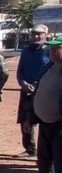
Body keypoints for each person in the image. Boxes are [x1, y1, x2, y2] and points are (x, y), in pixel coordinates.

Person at [30, 34, 62, 173]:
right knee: (44, 158)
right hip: (45, 122)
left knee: (60, 161)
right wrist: (32, 117)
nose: (52, 52)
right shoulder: (49, 67)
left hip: (59, 124)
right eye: (51, 48)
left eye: (57, 48)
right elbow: (38, 92)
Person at [15, 24, 50, 158]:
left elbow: (49, 69)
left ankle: (46, 150)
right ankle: (29, 148)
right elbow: (20, 70)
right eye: (34, 34)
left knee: (44, 119)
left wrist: (37, 83)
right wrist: (22, 83)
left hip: (44, 91)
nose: (36, 36)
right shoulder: (26, 51)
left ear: (45, 35)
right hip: (26, 90)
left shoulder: (49, 50)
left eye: (39, 34)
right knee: (25, 119)